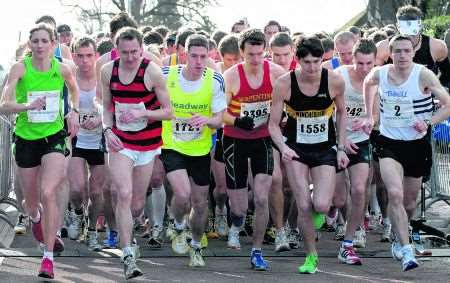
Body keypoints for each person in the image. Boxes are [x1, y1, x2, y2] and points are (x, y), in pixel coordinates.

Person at [361, 34, 450, 271]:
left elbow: (448, 104)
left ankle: (401, 234)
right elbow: (367, 84)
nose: (402, 55)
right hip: (388, 143)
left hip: (416, 145)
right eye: (397, 51)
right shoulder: (381, 73)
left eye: (406, 51)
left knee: (409, 202)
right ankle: (407, 249)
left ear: (413, 53)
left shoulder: (423, 74)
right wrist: (370, 115)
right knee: (395, 194)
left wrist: (429, 122)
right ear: (391, 54)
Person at [0, 23, 80, 279]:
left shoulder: (62, 68)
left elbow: (75, 90)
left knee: (49, 191)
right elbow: (4, 105)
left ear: (53, 44)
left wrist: (74, 111)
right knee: (30, 202)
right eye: (35, 41)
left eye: (45, 41)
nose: (40, 45)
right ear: (30, 44)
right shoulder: (20, 68)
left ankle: (47, 257)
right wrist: (27, 106)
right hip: (25, 138)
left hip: (54, 137)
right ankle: (35, 217)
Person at [269, 36, 348, 274]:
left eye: (316, 61)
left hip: (325, 148)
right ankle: (311, 256)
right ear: (298, 60)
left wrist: (342, 147)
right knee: (303, 206)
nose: (312, 67)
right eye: (307, 62)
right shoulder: (284, 83)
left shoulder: (334, 80)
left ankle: (318, 213)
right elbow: (272, 124)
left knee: (322, 205)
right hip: (296, 149)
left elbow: (343, 113)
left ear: (323, 59)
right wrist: (283, 148)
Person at [100, 27, 172, 279]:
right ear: (116, 50)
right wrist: (107, 130)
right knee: (122, 192)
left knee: (137, 203)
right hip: (120, 141)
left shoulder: (151, 71)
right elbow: (107, 107)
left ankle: (131, 230)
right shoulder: (108, 71)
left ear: (142, 49)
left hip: (148, 143)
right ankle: (127, 252)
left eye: (134, 52)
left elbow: (169, 111)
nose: (130, 57)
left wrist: (143, 113)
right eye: (125, 52)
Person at [160, 34, 226, 267]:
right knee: (182, 193)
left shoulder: (215, 79)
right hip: (172, 144)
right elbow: (153, 101)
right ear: (185, 55)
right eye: (194, 56)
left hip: (200, 148)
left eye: (203, 57)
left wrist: (207, 119)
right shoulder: (166, 74)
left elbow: (219, 119)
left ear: (209, 56)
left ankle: (196, 245)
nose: (199, 61)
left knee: (200, 203)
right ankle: (177, 225)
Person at [223, 29, 285, 271]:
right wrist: (237, 121)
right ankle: (236, 223)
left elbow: (286, 102)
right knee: (238, 207)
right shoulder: (231, 76)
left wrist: (277, 117)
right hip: (235, 140)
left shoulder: (277, 73)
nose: (256, 60)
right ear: (242, 53)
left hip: (262, 140)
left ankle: (257, 250)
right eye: (251, 54)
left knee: (261, 198)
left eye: (260, 54)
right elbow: (219, 113)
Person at [333, 39, 377, 264]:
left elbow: (377, 113)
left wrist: (370, 119)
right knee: (339, 198)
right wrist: (341, 140)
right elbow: (329, 110)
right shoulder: (340, 76)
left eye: (369, 63)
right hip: (337, 140)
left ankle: (351, 237)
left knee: (360, 188)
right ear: (353, 59)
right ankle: (335, 215)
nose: (365, 69)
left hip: (361, 141)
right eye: (360, 63)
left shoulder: (377, 79)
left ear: (375, 61)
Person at [67, 36, 105, 251]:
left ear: (96, 56)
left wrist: (99, 120)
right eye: (80, 56)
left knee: (96, 191)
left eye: (89, 55)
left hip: (99, 140)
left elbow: (111, 108)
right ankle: (76, 212)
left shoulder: (104, 79)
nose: (85, 61)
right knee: (77, 188)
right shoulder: (69, 79)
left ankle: (91, 232)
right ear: (74, 57)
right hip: (76, 139)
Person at [376, 5, 450, 90]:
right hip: (394, 96)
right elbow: (371, 78)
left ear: (419, 26)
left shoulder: (436, 47)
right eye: (406, 33)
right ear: (398, 27)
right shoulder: (383, 48)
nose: (409, 38)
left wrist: (438, 91)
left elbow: (447, 75)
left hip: (424, 96)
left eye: (413, 33)